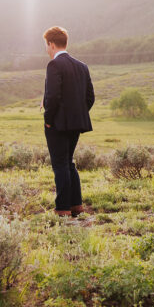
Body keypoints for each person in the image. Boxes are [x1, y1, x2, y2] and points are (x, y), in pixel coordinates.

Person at [42, 26, 94, 217]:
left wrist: (48, 120)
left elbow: (54, 96)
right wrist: (76, 114)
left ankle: (62, 209)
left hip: (57, 125)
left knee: (60, 164)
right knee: (69, 163)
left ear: (52, 44)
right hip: (76, 124)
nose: (47, 50)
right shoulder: (82, 66)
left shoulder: (54, 65)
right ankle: (76, 205)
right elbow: (90, 98)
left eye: (46, 46)